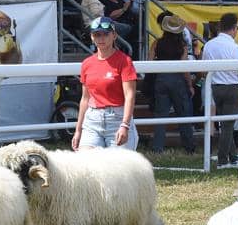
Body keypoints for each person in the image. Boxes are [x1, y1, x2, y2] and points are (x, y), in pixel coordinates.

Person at [71, 17, 137, 151]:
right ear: (92, 37)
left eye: (105, 34)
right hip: (92, 120)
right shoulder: (87, 63)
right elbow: (85, 99)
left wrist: (125, 125)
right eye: (97, 34)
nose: (101, 38)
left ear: (114, 35)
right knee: (86, 165)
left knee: (117, 169)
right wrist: (78, 130)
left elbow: (129, 95)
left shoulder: (124, 61)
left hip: (117, 118)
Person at [200, 11, 238, 169]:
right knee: (228, 126)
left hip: (216, 88)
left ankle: (233, 158)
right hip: (232, 88)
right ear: (234, 28)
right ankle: (222, 161)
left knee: (226, 125)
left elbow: (203, 70)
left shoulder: (209, 45)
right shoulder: (233, 46)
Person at [150, 15, 194, 154]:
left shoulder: (156, 43)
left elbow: (149, 62)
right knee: (183, 114)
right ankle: (189, 148)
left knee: (160, 116)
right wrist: (190, 85)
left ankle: (158, 148)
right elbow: (184, 67)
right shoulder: (182, 46)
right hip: (178, 80)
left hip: (161, 79)